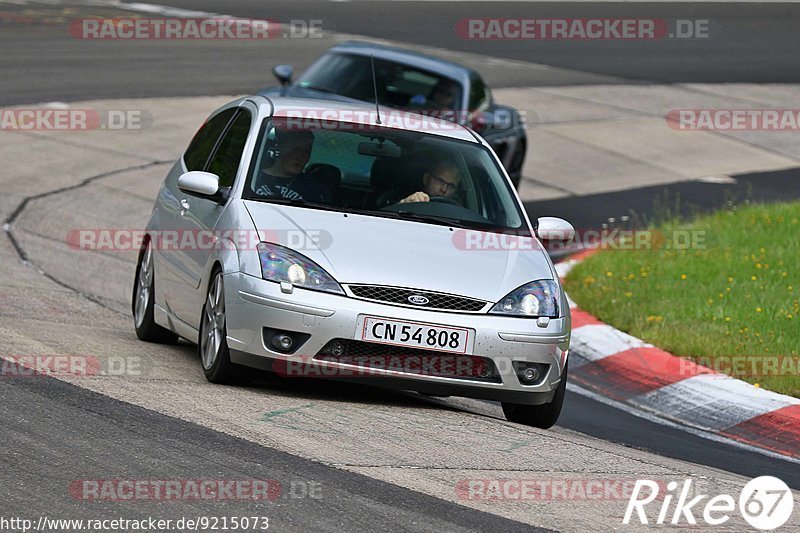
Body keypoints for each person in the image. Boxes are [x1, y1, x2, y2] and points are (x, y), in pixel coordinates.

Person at [253, 130, 332, 203]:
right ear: (280, 147)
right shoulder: (252, 179)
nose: (300, 156)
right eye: (295, 149)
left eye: (306, 151)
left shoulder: (314, 190)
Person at [398, 157, 462, 204]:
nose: (444, 189)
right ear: (426, 178)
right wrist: (404, 203)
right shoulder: (404, 195)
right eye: (440, 181)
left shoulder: (459, 211)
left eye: (451, 186)